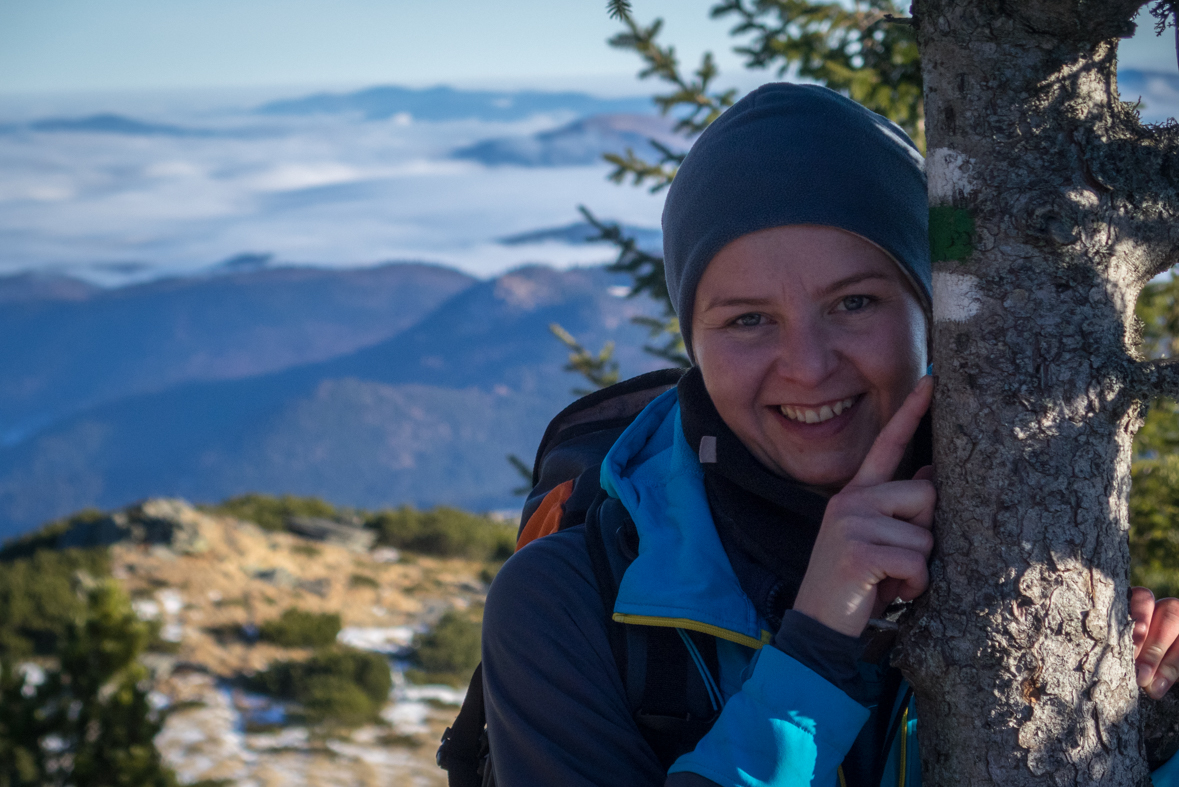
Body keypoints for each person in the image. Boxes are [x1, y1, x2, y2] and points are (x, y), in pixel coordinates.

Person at [479, 82, 1179, 787]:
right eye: (747, 319)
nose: (809, 367)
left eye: (853, 302)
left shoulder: (1045, 534)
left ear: (926, 312)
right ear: (694, 343)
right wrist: (815, 651)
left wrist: (1143, 734)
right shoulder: (566, 600)